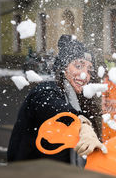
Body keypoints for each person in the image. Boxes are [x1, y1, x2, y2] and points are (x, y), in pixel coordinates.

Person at [7, 35, 106, 166]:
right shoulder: (45, 90)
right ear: (63, 69)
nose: (85, 75)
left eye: (89, 69)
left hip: (60, 177)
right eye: (78, 66)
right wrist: (82, 124)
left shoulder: (80, 100)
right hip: (30, 175)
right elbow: (57, 109)